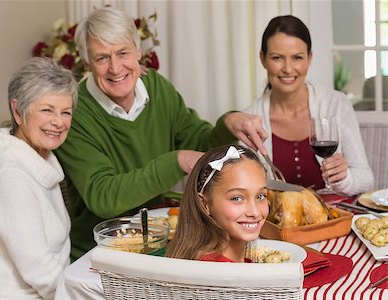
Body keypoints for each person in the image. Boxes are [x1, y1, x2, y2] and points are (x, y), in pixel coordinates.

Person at [54, 6, 246, 260]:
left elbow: (199, 143)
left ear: (138, 52)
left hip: (160, 242)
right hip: (100, 254)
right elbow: (104, 197)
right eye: (102, 58)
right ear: (87, 62)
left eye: (123, 53)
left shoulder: (157, 88)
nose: (115, 68)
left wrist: (228, 124)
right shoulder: (75, 112)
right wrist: (175, 161)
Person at [227, 15, 373, 195]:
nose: (288, 69)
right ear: (262, 58)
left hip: (338, 217)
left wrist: (344, 178)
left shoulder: (336, 104)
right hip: (281, 222)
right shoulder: (249, 122)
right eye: (277, 58)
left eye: (297, 57)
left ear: (309, 58)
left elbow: (366, 180)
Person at [0, 57, 78, 299]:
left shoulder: (40, 161)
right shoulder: (8, 177)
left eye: (66, 112)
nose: (58, 122)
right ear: (18, 112)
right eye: (47, 110)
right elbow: (42, 274)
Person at [166, 144, 268, 262]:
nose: (254, 212)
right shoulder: (221, 272)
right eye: (237, 198)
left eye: (261, 196)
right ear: (204, 204)